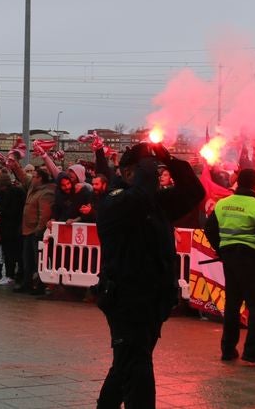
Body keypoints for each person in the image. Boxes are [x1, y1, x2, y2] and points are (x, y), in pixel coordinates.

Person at [94, 143, 203, 409]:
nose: (157, 176)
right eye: (152, 171)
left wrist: (168, 159)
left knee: (126, 365)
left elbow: (194, 191)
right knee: (138, 367)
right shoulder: (115, 200)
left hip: (153, 299)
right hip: (126, 298)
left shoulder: (155, 202)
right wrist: (146, 162)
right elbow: (138, 198)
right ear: (130, 173)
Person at [204, 169, 255, 367]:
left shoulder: (223, 204)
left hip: (230, 258)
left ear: (237, 183)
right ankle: (253, 351)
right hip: (252, 259)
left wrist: (221, 250)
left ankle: (228, 349)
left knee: (232, 304)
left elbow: (209, 229)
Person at [8, 159, 53, 296]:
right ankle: (27, 283)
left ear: (40, 179)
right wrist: (15, 166)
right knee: (26, 260)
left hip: (36, 232)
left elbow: (44, 214)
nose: (31, 178)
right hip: (27, 230)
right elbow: (22, 176)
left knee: (38, 261)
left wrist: (39, 231)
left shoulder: (47, 192)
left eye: (34, 176)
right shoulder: (33, 187)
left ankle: (39, 285)